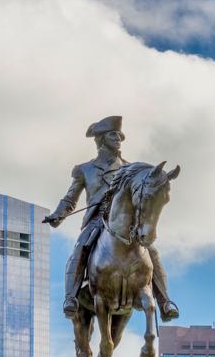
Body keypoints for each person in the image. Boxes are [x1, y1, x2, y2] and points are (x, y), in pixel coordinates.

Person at [43, 115, 179, 321]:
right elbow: (70, 199)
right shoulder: (85, 169)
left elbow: (143, 194)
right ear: (101, 139)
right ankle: (70, 297)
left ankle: (165, 301)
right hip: (98, 220)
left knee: (151, 250)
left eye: (120, 135)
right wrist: (57, 215)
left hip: (126, 223)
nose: (118, 139)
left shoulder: (130, 168)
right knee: (80, 247)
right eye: (113, 135)